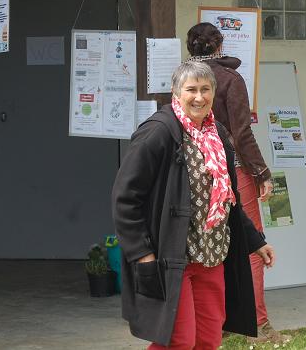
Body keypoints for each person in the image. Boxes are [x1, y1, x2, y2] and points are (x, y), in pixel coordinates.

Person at [112, 61, 276, 349]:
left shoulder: (218, 134)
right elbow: (125, 198)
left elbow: (228, 199)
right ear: (176, 93)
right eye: (191, 90)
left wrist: (255, 240)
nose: (199, 97)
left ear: (214, 92)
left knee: (208, 339)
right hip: (172, 257)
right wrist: (141, 254)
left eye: (205, 89)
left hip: (211, 254)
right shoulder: (158, 133)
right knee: (180, 341)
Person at [186, 22, 288, 344]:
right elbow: (242, 133)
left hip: (191, 169)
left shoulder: (183, 81)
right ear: (220, 46)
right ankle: (257, 325)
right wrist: (261, 172)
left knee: (205, 246)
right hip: (230, 168)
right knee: (251, 244)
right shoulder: (230, 79)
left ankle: (217, 322)